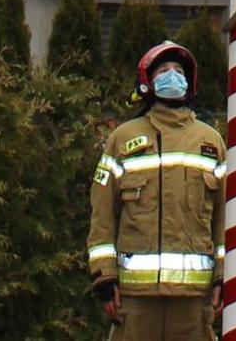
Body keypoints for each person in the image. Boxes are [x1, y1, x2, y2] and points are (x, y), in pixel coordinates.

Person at [87, 41, 227, 340]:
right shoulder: (122, 140)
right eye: (163, 70)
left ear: (190, 81)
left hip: (193, 300)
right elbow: (102, 215)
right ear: (147, 82)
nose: (172, 75)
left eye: (179, 70)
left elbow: (225, 219)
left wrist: (224, 276)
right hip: (134, 299)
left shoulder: (211, 142)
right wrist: (104, 275)